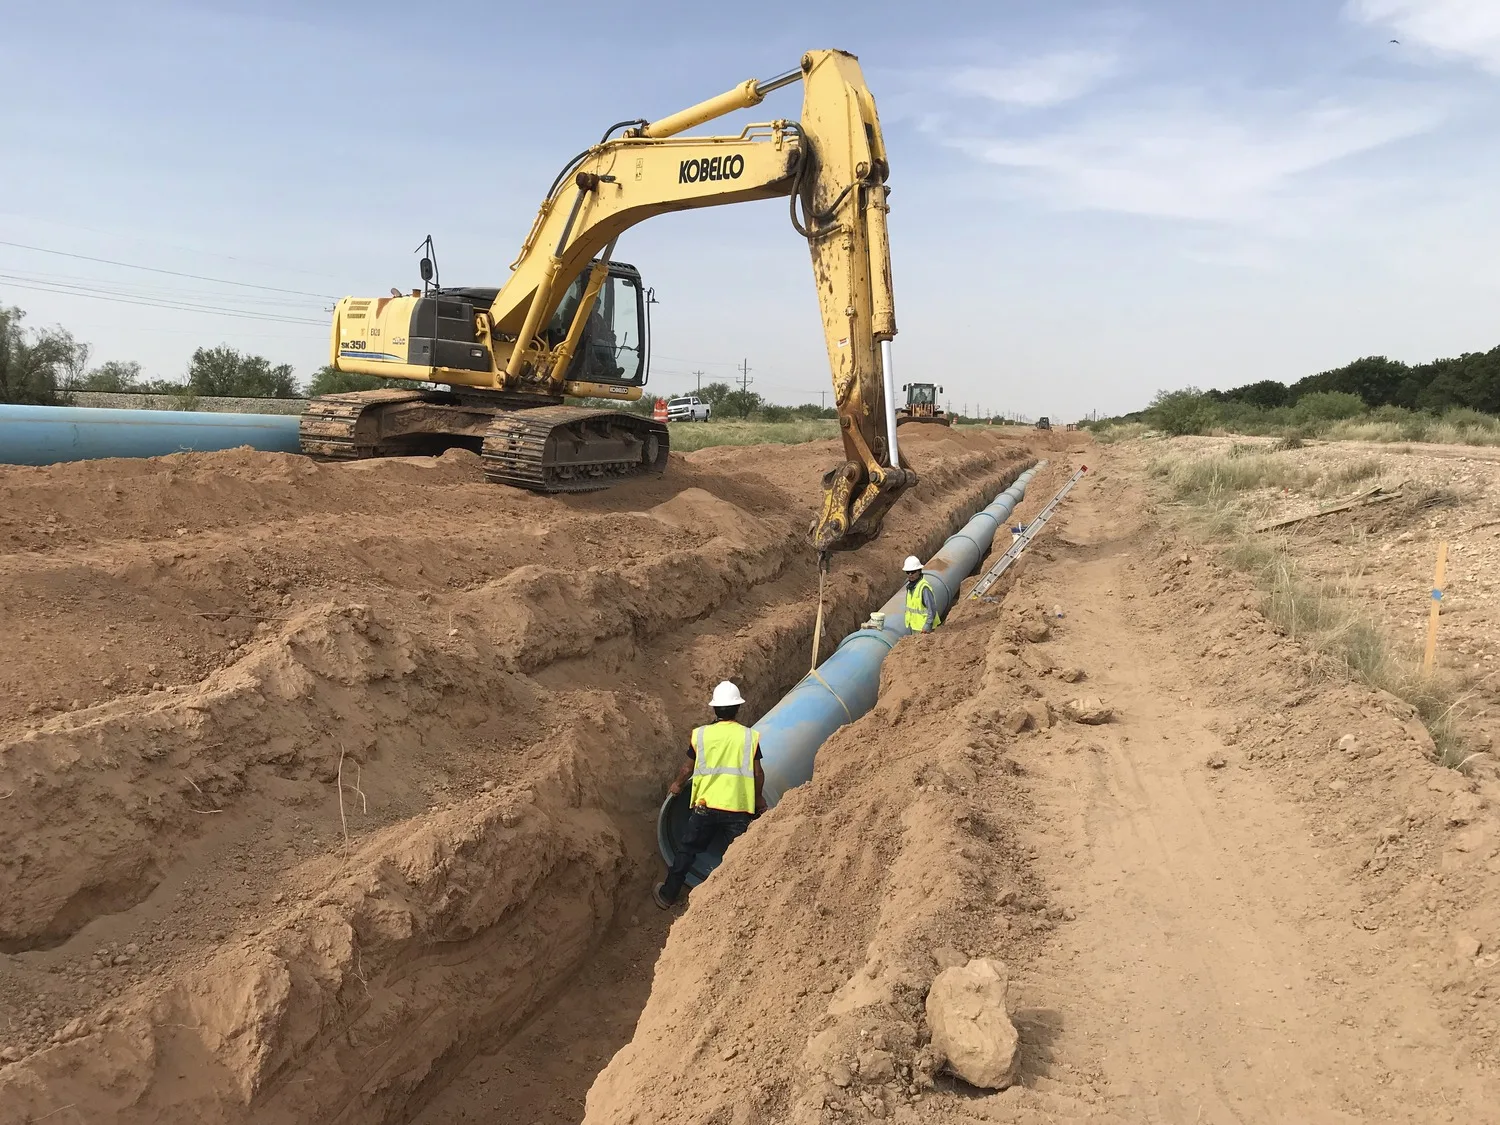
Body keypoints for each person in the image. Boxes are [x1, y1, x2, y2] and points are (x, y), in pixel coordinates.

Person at [654, 680, 765, 909]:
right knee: (740, 856)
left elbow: (687, 768)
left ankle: (667, 895)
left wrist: (676, 785)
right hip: (737, 808)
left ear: (715, 709)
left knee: (687, 851)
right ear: (737, 708)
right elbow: (757, 773)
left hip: (705, 807)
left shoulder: (701, 735)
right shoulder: (749, 737)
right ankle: (737, 904)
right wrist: (758, 800)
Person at [903, 556, 942, 633]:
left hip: (925, 629)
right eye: (908, 572)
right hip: (915, 627)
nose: (910, 574)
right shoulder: (911, 587)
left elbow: (932, 608)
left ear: (919, 571)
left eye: (913, 572)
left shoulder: (924, 588)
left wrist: (928, 624)